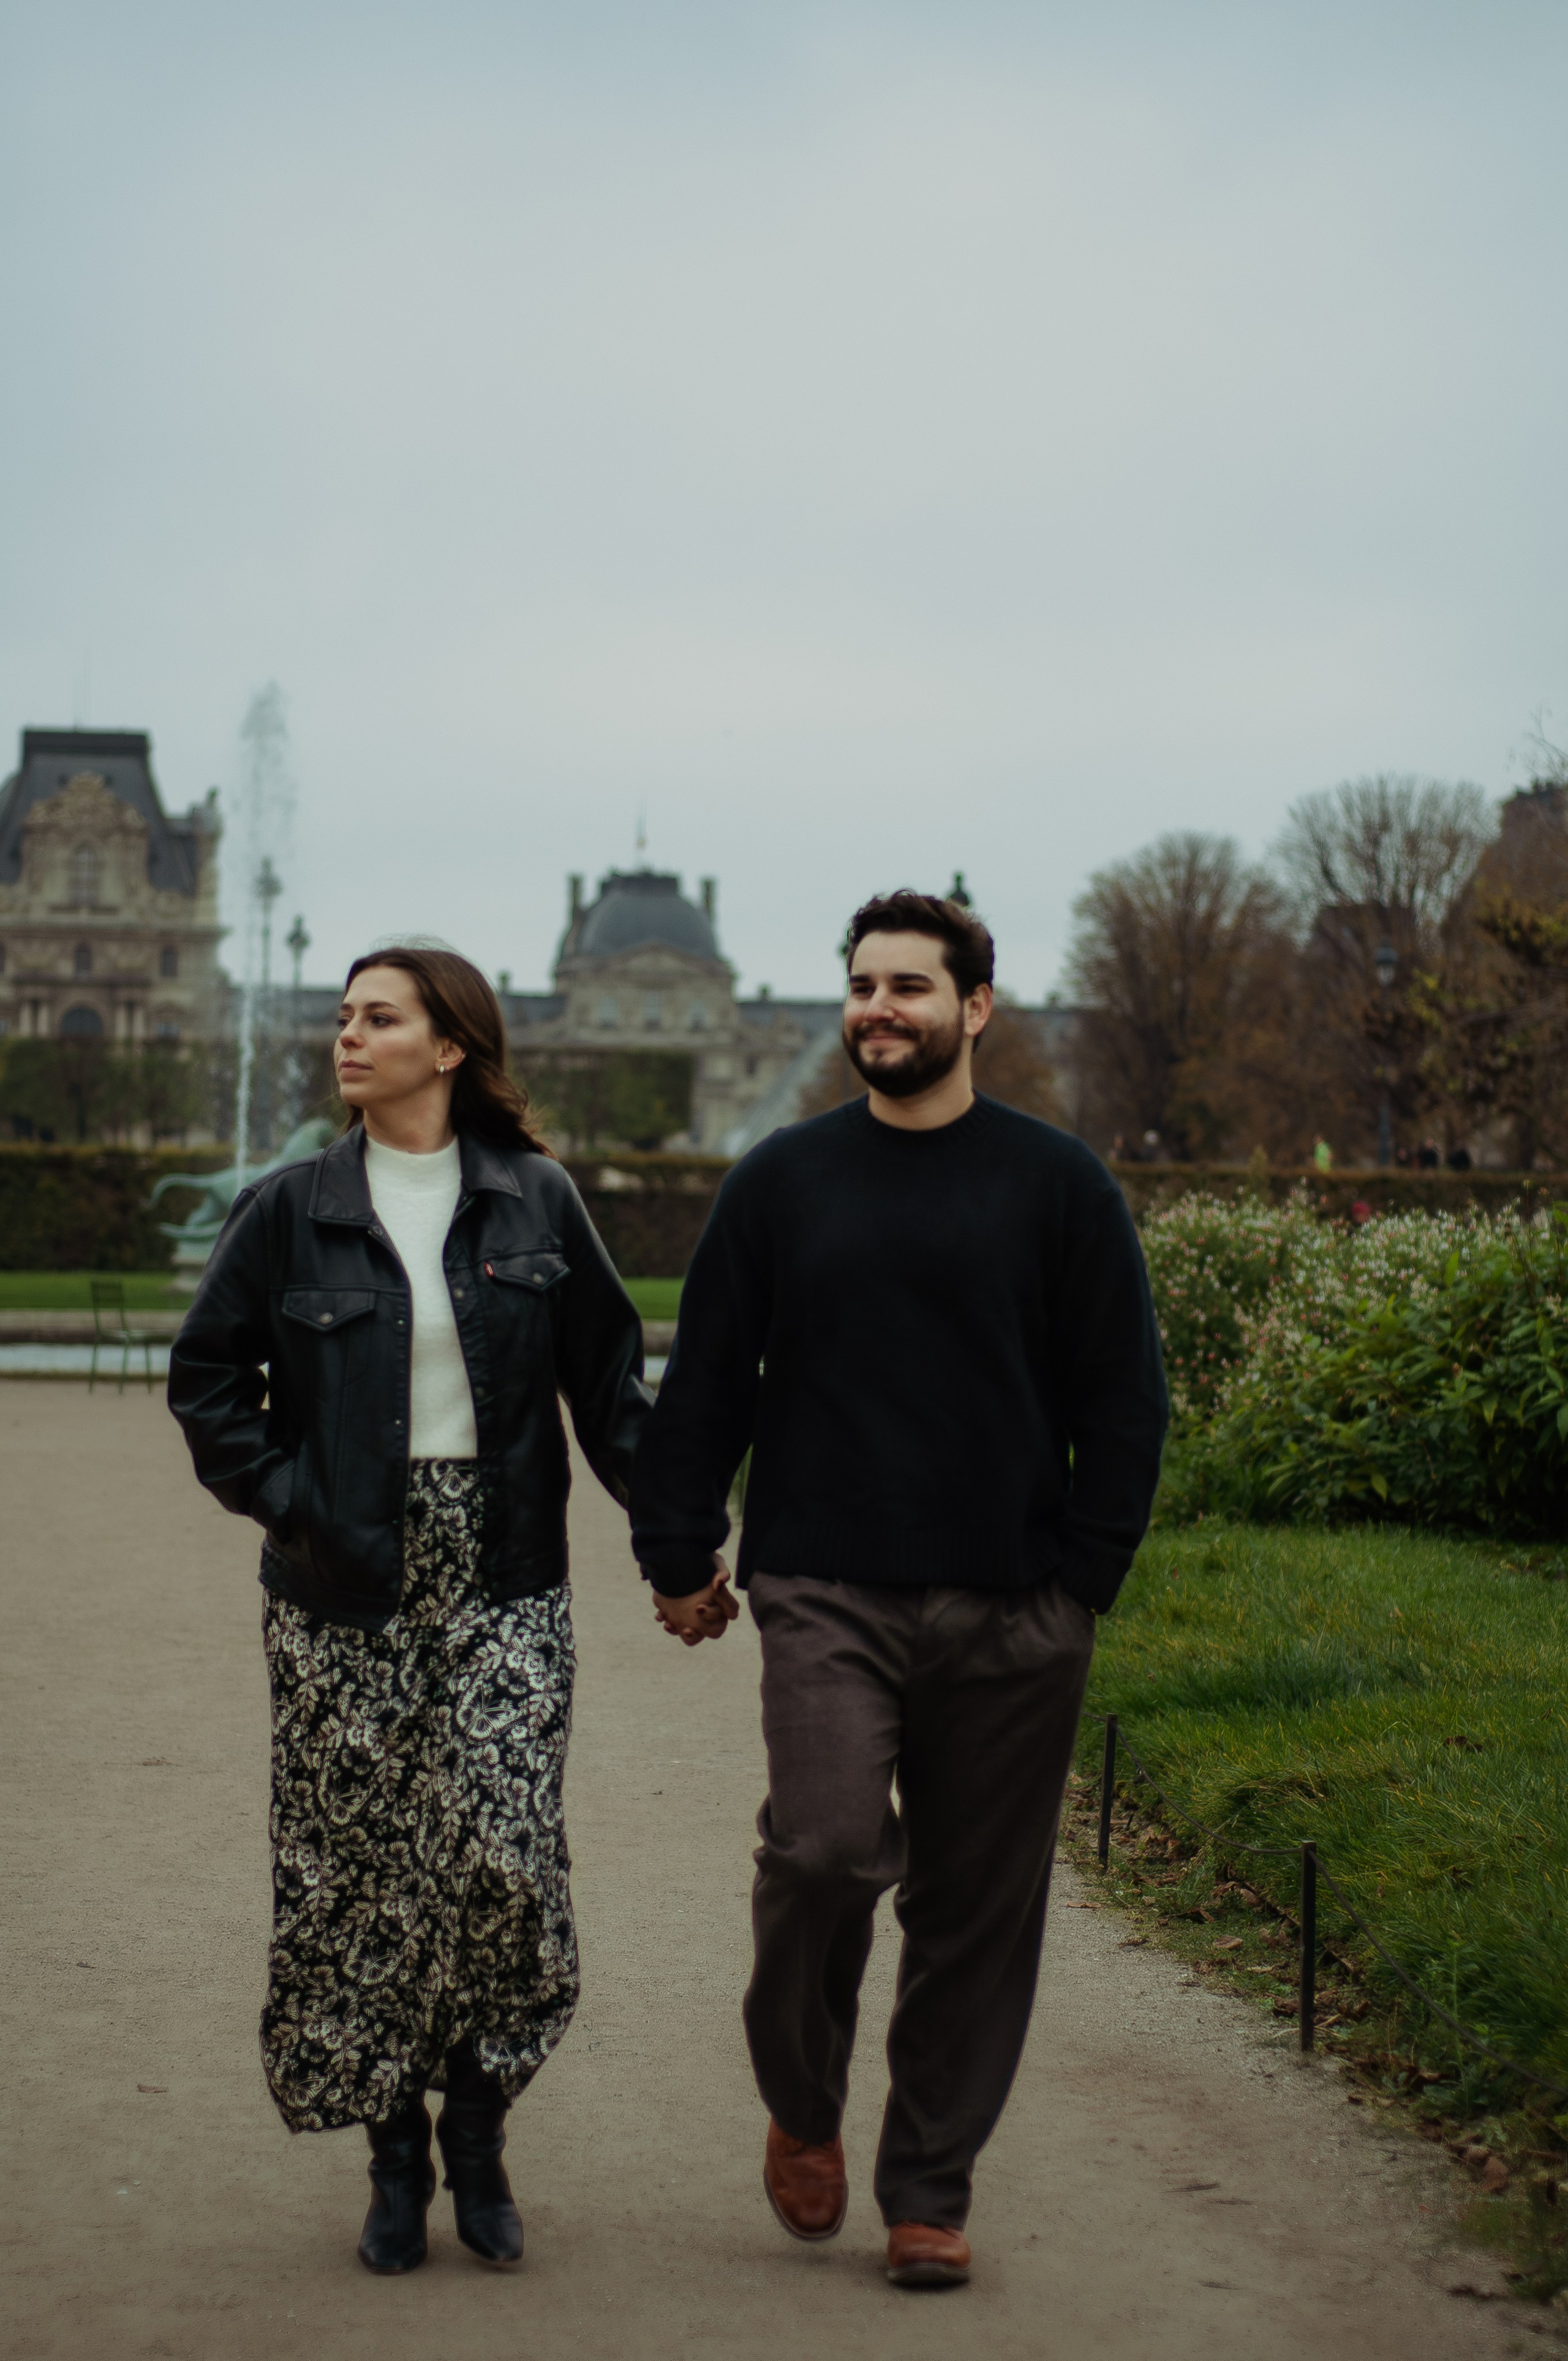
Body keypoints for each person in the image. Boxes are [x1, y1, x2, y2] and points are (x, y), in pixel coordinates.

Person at [630, 890, 1167, 2289]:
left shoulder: (1059, 1185)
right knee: (819, 1852)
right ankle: (803, 2100)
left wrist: (1083, 1582)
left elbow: (1123, 1396)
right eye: (863, 984)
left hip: (1014, 1600)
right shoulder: (781, 1180)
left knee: (974, 1910)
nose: (879, 1007)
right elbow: (705, 1382)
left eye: (909, 986)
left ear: (973, 1008)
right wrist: (676, 1549)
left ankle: (928, 2186)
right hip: (825, 1584)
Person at [168, 944, 649, 2276]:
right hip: (339, 1581)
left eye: (378, 1017)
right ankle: (395, 2156)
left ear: (448, 1047)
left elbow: (611, 1388)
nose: (348, 1034)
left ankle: (478, 2127)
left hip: (504, 1568)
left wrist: (681, 1540)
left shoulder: (537, 1199)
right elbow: (207, 1377)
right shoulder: (288, 1208)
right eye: (343, 1016)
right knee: (358, 1874)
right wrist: (291, 1500)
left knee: (502, 1854)